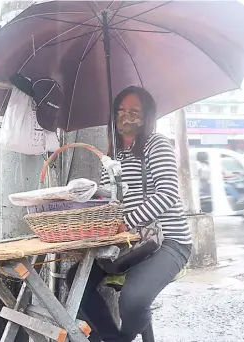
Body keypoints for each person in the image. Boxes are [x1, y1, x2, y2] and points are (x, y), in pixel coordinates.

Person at [67, 86, 192, 342]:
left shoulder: (157, 144)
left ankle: (122, 338)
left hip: (168, 241)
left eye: (134, 111)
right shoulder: (112, 157)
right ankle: (111, 337)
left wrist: (127, 222)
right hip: (129, 245)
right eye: (121, 111)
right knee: (76, 283)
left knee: (133, 301)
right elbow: (109, 202)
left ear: (146, 117)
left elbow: (168, 194)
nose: (126, 116)